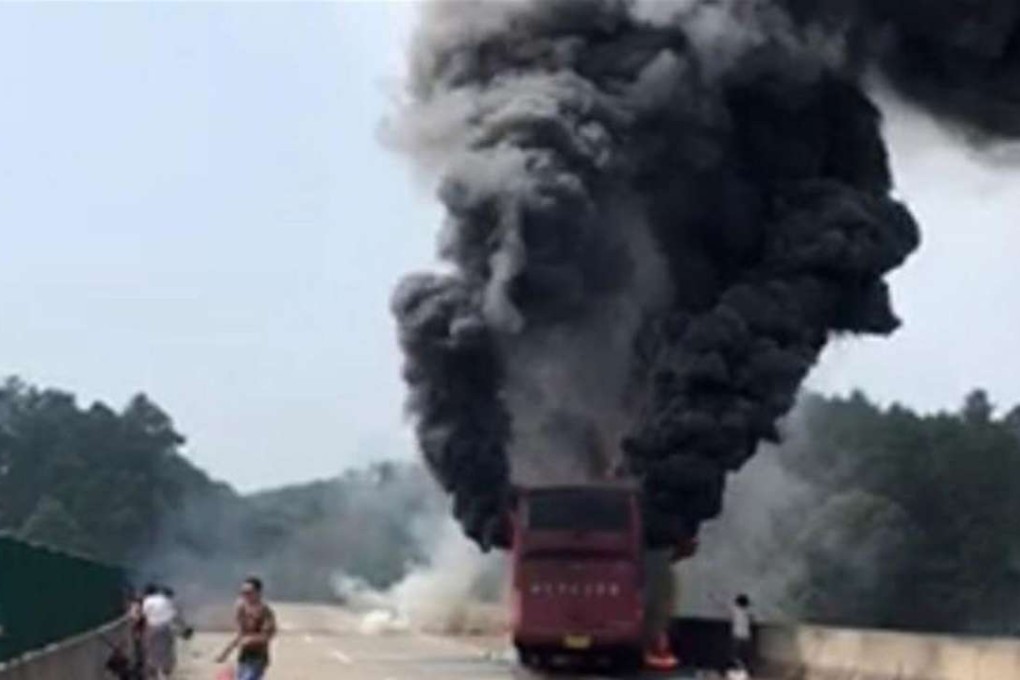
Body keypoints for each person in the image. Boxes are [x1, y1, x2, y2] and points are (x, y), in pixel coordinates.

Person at [216, 576, 277, 680]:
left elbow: (267, 635)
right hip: (243, 657)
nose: (245, 595)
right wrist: (225, 653)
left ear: (258, 593)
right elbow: (239, 634)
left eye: (249, 592)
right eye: (243, 592)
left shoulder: (265, 612)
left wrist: (250, 640)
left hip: (258, 657)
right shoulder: (241, 608)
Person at [142, 583, 178, 678]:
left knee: (151, 652)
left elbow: (145, 615)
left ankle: (153, 676)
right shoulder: (165, 599)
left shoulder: (147, 600)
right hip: (166, 628)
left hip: (152, 628)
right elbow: (174, 615)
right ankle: (166, 675)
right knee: (167, 651)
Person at [730, 593, 754, 674]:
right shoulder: (748, 611)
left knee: (737, 655)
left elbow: (722, 606)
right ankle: (742, 667)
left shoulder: (736, 610)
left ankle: (741, 667)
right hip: (745, 636)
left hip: (739, 635)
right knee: (743, 655)